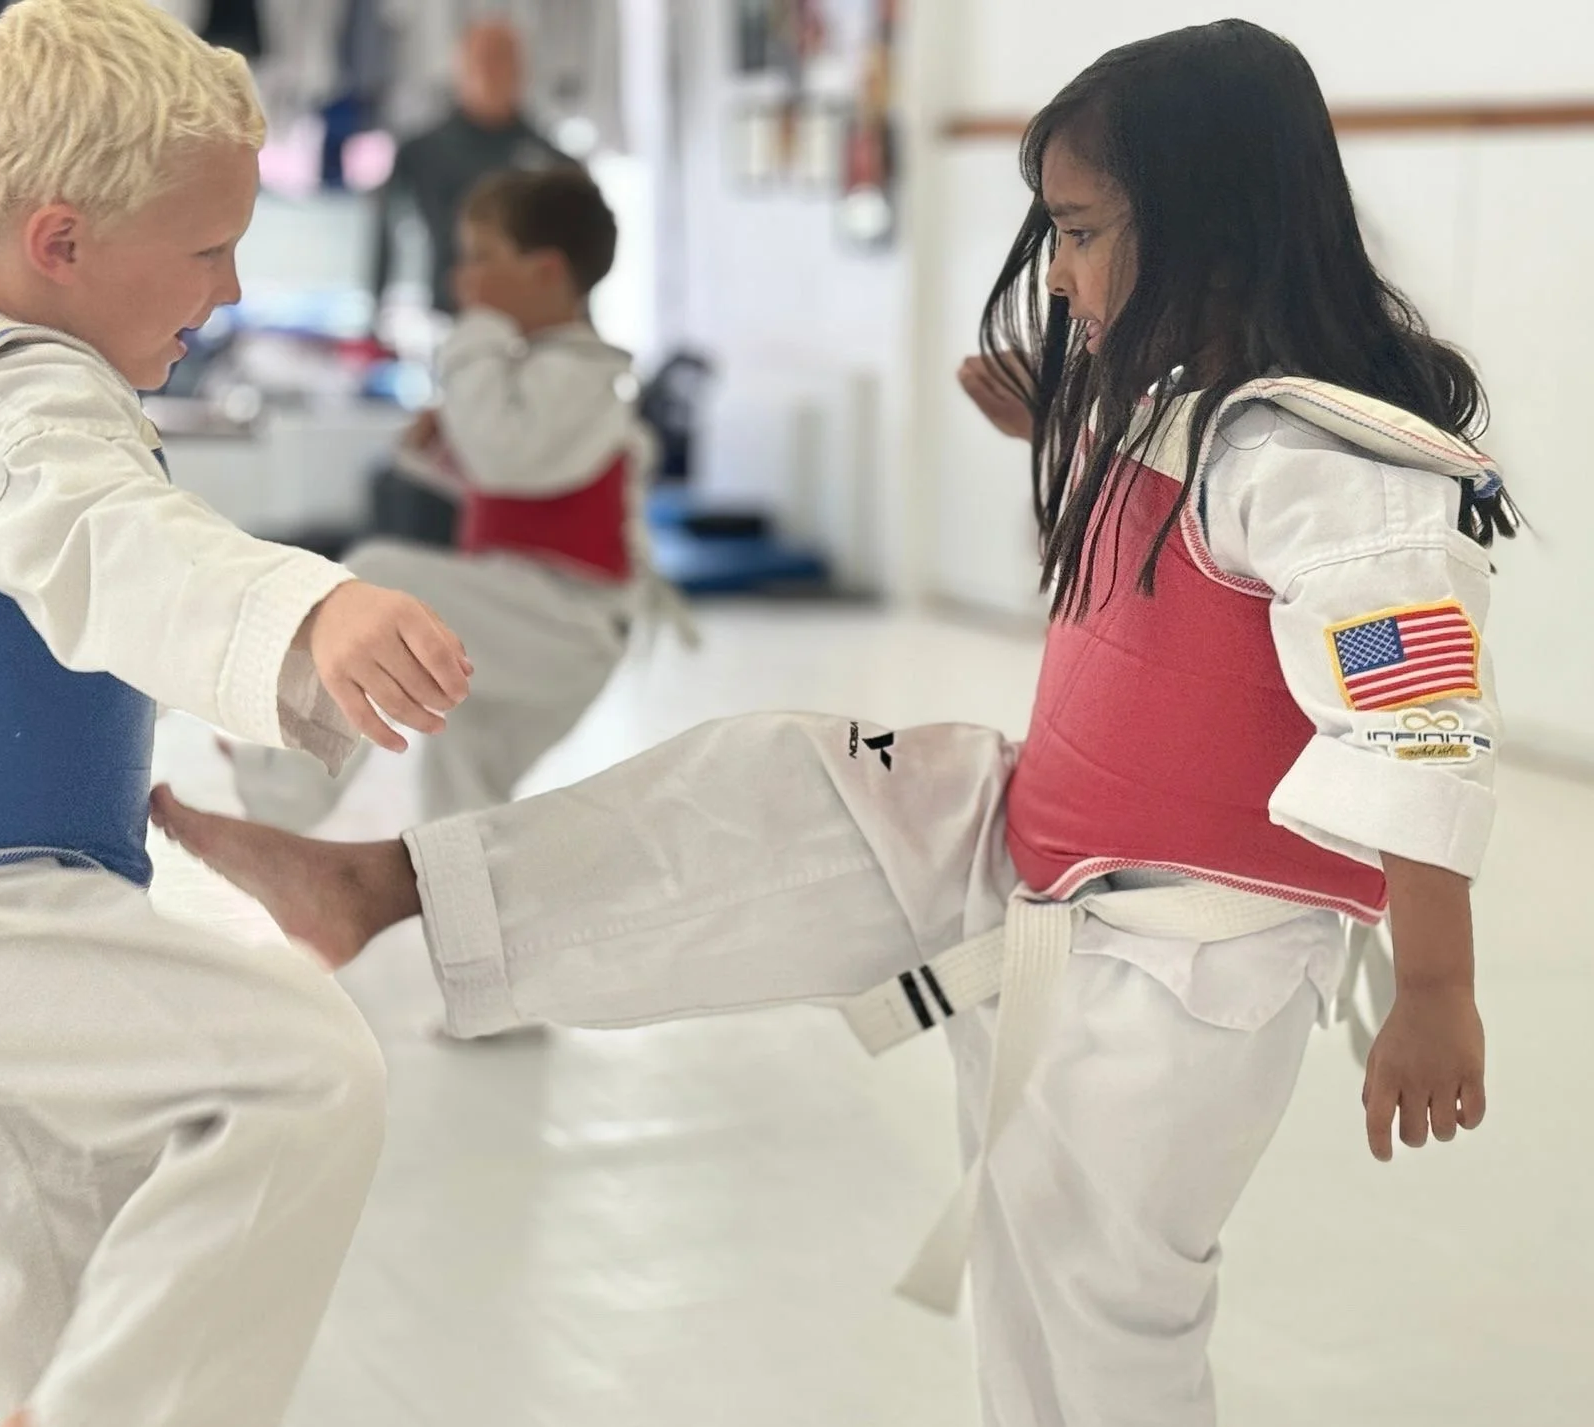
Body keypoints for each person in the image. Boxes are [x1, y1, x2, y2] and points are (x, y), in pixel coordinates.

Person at [148, 20, 1513, 1427]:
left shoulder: (1334, 466)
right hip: (1038, 859)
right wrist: (1059, 422)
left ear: (1216, 224)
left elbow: (1414, 725)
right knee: (782, 789)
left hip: (1183, 960)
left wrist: (1430, 986)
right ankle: (389, 886)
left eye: (1083, 230)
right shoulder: (1186, 414)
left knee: (1096, 1292)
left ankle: (386, 887)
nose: (1056, 271)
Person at [0, 3, 472, 1426]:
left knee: (48, 1280)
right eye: (204, 250)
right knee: (299, 1074)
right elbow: (115, 542)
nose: (231, 288)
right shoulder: (10, 409)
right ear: (60, 241)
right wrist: (309, 610)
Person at [229, 165, 651, 832]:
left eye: (482, 258)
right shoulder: (546, 372)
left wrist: (474, 340)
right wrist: (437, 447)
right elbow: (510, 477)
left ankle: (285, 790)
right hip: (533, 613)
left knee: (377, 578)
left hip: (564, 621)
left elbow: (504, 456)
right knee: (466, 791)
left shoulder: (584, 375)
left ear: (544, 272)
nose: (463, 278)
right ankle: (471, 900)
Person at [366, 18, 572, 548]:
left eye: (506, 62)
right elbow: (384, 229)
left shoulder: (551, 160)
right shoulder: (423, 150)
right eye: (482, 62)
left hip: (535, 340)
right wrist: (374, 311)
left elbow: (579, 259)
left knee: (522, 457)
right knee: (449, 457)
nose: (494, 74)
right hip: (448, 328)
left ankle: (517, 549)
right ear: (459, 68)